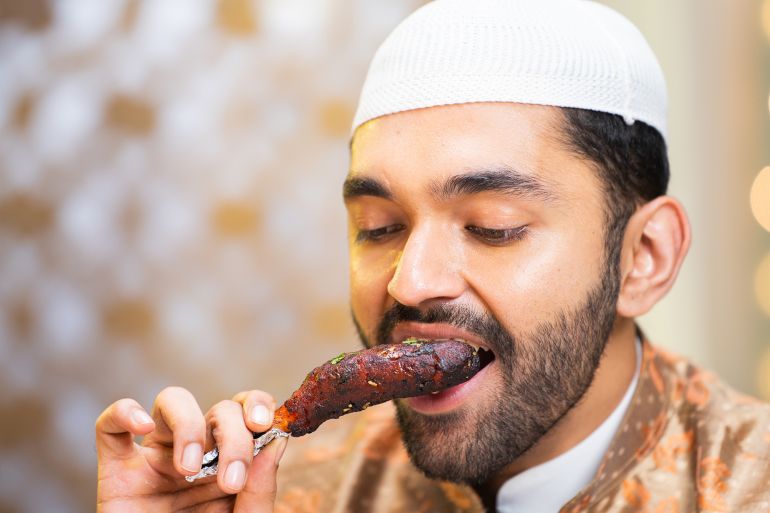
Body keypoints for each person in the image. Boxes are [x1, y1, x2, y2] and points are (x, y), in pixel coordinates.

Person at [95, 1, 770, 512]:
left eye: (492, 226)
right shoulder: (284, 490)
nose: (411, 282)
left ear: (644, 256)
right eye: (380, 226)